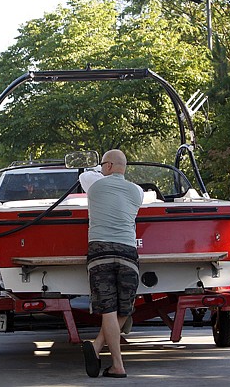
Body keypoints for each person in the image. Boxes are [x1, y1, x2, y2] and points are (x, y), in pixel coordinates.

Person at [79, 149, 143, 378]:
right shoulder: (137, 191)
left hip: (100, 252)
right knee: (124, 308)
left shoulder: (93, 185)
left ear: (106, 167)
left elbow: (85, 176)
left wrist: (100, 167)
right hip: (128, 251)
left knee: (108, 309)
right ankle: (103, 353)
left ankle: (109, 356)